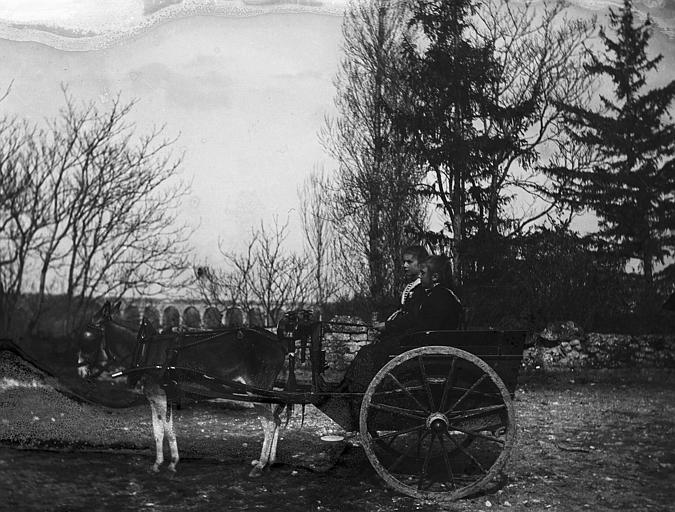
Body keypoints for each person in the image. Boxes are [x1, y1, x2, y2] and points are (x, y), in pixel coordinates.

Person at [340, 254, 463, 393]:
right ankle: (350, 387)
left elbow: (423, 326)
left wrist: (394, 330)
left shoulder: (440, 297)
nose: (420, 277)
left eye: (423, 274)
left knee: (370, 352)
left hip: (425, 345)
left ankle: (358, 391)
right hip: (423, 341)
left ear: (435, 277)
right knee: (371, 350)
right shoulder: (437, 294)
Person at [373, 245, 428, 334]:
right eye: (404, 262)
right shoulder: (409, 286)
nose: (405, 265)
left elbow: (413, 318)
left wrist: (388, 325)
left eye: (409, 262)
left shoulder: (422, 288)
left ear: (421, 264)